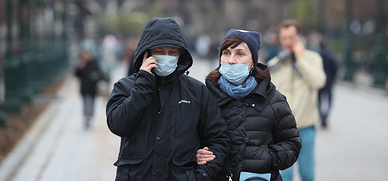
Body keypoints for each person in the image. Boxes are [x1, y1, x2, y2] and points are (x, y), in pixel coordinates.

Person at [106, 17, 230, 181]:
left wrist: (202, 175)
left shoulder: (196, 91)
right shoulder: (125, 87)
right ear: (146, 53)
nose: (167, 57)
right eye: (160, 51)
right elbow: (118, 125)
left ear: (180, 55)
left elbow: (218, 139)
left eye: (172, 52)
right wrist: (143, 86)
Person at [196, 29, 302, 181]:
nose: (231, 60)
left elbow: (292, 144)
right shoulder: (204, 97)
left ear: (253, 61)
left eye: (240, 54)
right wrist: (196, 153)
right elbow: (186, 139)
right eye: (226, 53)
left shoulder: (273, 99)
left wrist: (268, 158)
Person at [267, 19, 326, 181]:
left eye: (291, 37)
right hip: (281, 130)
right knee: (284, 174)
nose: (288, 42)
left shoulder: (312, 59)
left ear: (299, 37)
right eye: (284, 37)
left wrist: (300, 59)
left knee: (307, 174)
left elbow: (318, 81)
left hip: (306, 127)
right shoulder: (275, 64)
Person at [74, 39, 103, 129]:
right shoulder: (81, 63)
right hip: (84, 88)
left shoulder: (94, 63)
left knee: (91, 103)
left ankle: (90, 116)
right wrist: (80, 67)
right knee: (86, 102)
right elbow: (76, 75)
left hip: (93, 88)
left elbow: (99, 74)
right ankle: (86, 117)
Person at [316, 41, 339, 128]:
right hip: (328, 81)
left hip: (318, 82)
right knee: (329, 100)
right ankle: (325, 114)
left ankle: (321, 115)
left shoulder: (316, 56)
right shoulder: (330, 56)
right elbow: (335, 67)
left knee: (318, 101)